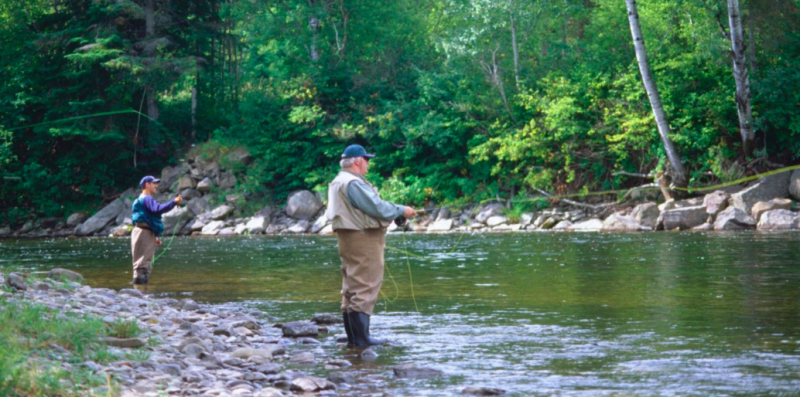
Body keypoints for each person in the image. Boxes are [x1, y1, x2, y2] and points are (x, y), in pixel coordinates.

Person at [326, 144, 418, 347]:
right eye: (366, 159)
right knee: (366, 285)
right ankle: (362, 340)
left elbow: (364, 210)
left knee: (351, 286)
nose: (368, 163)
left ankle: (354, 339)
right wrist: (401, 210)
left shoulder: (339, 180)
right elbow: (376, 207)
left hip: (347, 237)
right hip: (363, 238)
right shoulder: (353, 183)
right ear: (357, 160)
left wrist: (395, 215)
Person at [130, 176, 182, 285]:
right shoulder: (147, 198)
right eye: (154, 183)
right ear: (147, 185)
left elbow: (148, 217)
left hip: (143, 232)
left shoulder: (142, 199)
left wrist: (155, 236)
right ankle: (139, 294)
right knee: (142, 265)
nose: (156, 186)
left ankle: (140, 292)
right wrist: (174, 202)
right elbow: (158, 209)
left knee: (144, 264)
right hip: (143, 233)